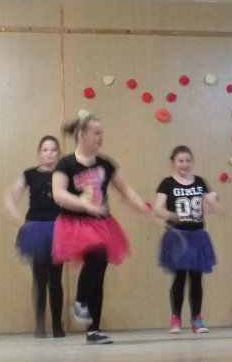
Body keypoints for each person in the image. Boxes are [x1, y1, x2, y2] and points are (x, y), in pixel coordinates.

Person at [51, 114, 152, 344]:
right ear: (81, 135)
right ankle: (80, 303)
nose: (101, 137)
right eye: (96, 133)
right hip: (75, 224)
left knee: (98, 271)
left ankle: (93, 330)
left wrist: (142, 207)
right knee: (97, 255)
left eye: (101, 133)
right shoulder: (66, 164)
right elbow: (59, 194)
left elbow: (126, 191)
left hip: (101, 223)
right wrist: (85, 205)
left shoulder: (105, 164)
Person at [154, 146, 222, 334]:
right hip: (178, 236)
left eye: (188, 161)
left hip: (197, 235)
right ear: (173, 162)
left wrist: (214, 200)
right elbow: (158, 209)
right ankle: (176, 317)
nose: (185, 164)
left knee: (196, 277)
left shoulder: (199, 182)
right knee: (180, 276)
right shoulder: (167, 183)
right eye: (181, 161)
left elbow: (209, 206)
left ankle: (197, 318)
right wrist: (172, 215)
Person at [3, 135, 65, 338]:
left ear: (58, 153)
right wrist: (20, 221)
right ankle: (40, 326)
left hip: (58, 228)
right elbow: (10, 196)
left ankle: (57, 326)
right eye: (45, 150)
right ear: (39, 153)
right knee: (40, 279)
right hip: (36, 229)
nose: (50, 153)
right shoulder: (30, 174)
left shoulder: (64, 174)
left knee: (56, 279)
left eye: (53, 150)